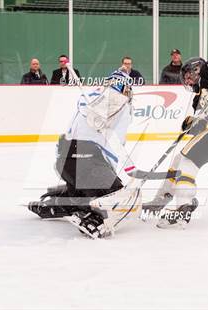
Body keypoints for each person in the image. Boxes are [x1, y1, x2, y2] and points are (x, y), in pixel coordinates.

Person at [28, 69, 138, 238]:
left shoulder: (93, 97)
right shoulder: (115, 101)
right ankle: (92, 219)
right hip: (86, 164)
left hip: (66, 163)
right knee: (118, 199)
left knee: (90, 191)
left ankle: (62, 203)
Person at [144, 57, 208, 228]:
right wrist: (191, 124)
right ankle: (162, 199)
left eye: (188, 75)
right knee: (179, 159)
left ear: (196, 69)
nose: (186, 80)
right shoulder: (197, 99)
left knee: (187, 160)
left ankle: (183, 206)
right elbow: (200, 126)